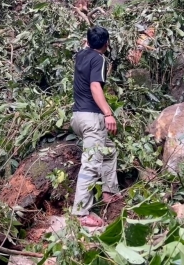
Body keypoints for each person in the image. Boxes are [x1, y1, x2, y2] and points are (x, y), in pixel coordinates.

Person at [70, 26, 121, 228]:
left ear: (87, 41)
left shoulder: (80, 55)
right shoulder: (99, 59)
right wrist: (108, 113)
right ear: (106, 44)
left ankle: (109, 192)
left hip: (77, 118)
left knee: (109, 151)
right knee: (91, 164)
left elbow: (86, 45)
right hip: (92, 119)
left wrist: (89, 42)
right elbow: (95, 86)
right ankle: (82, 213)